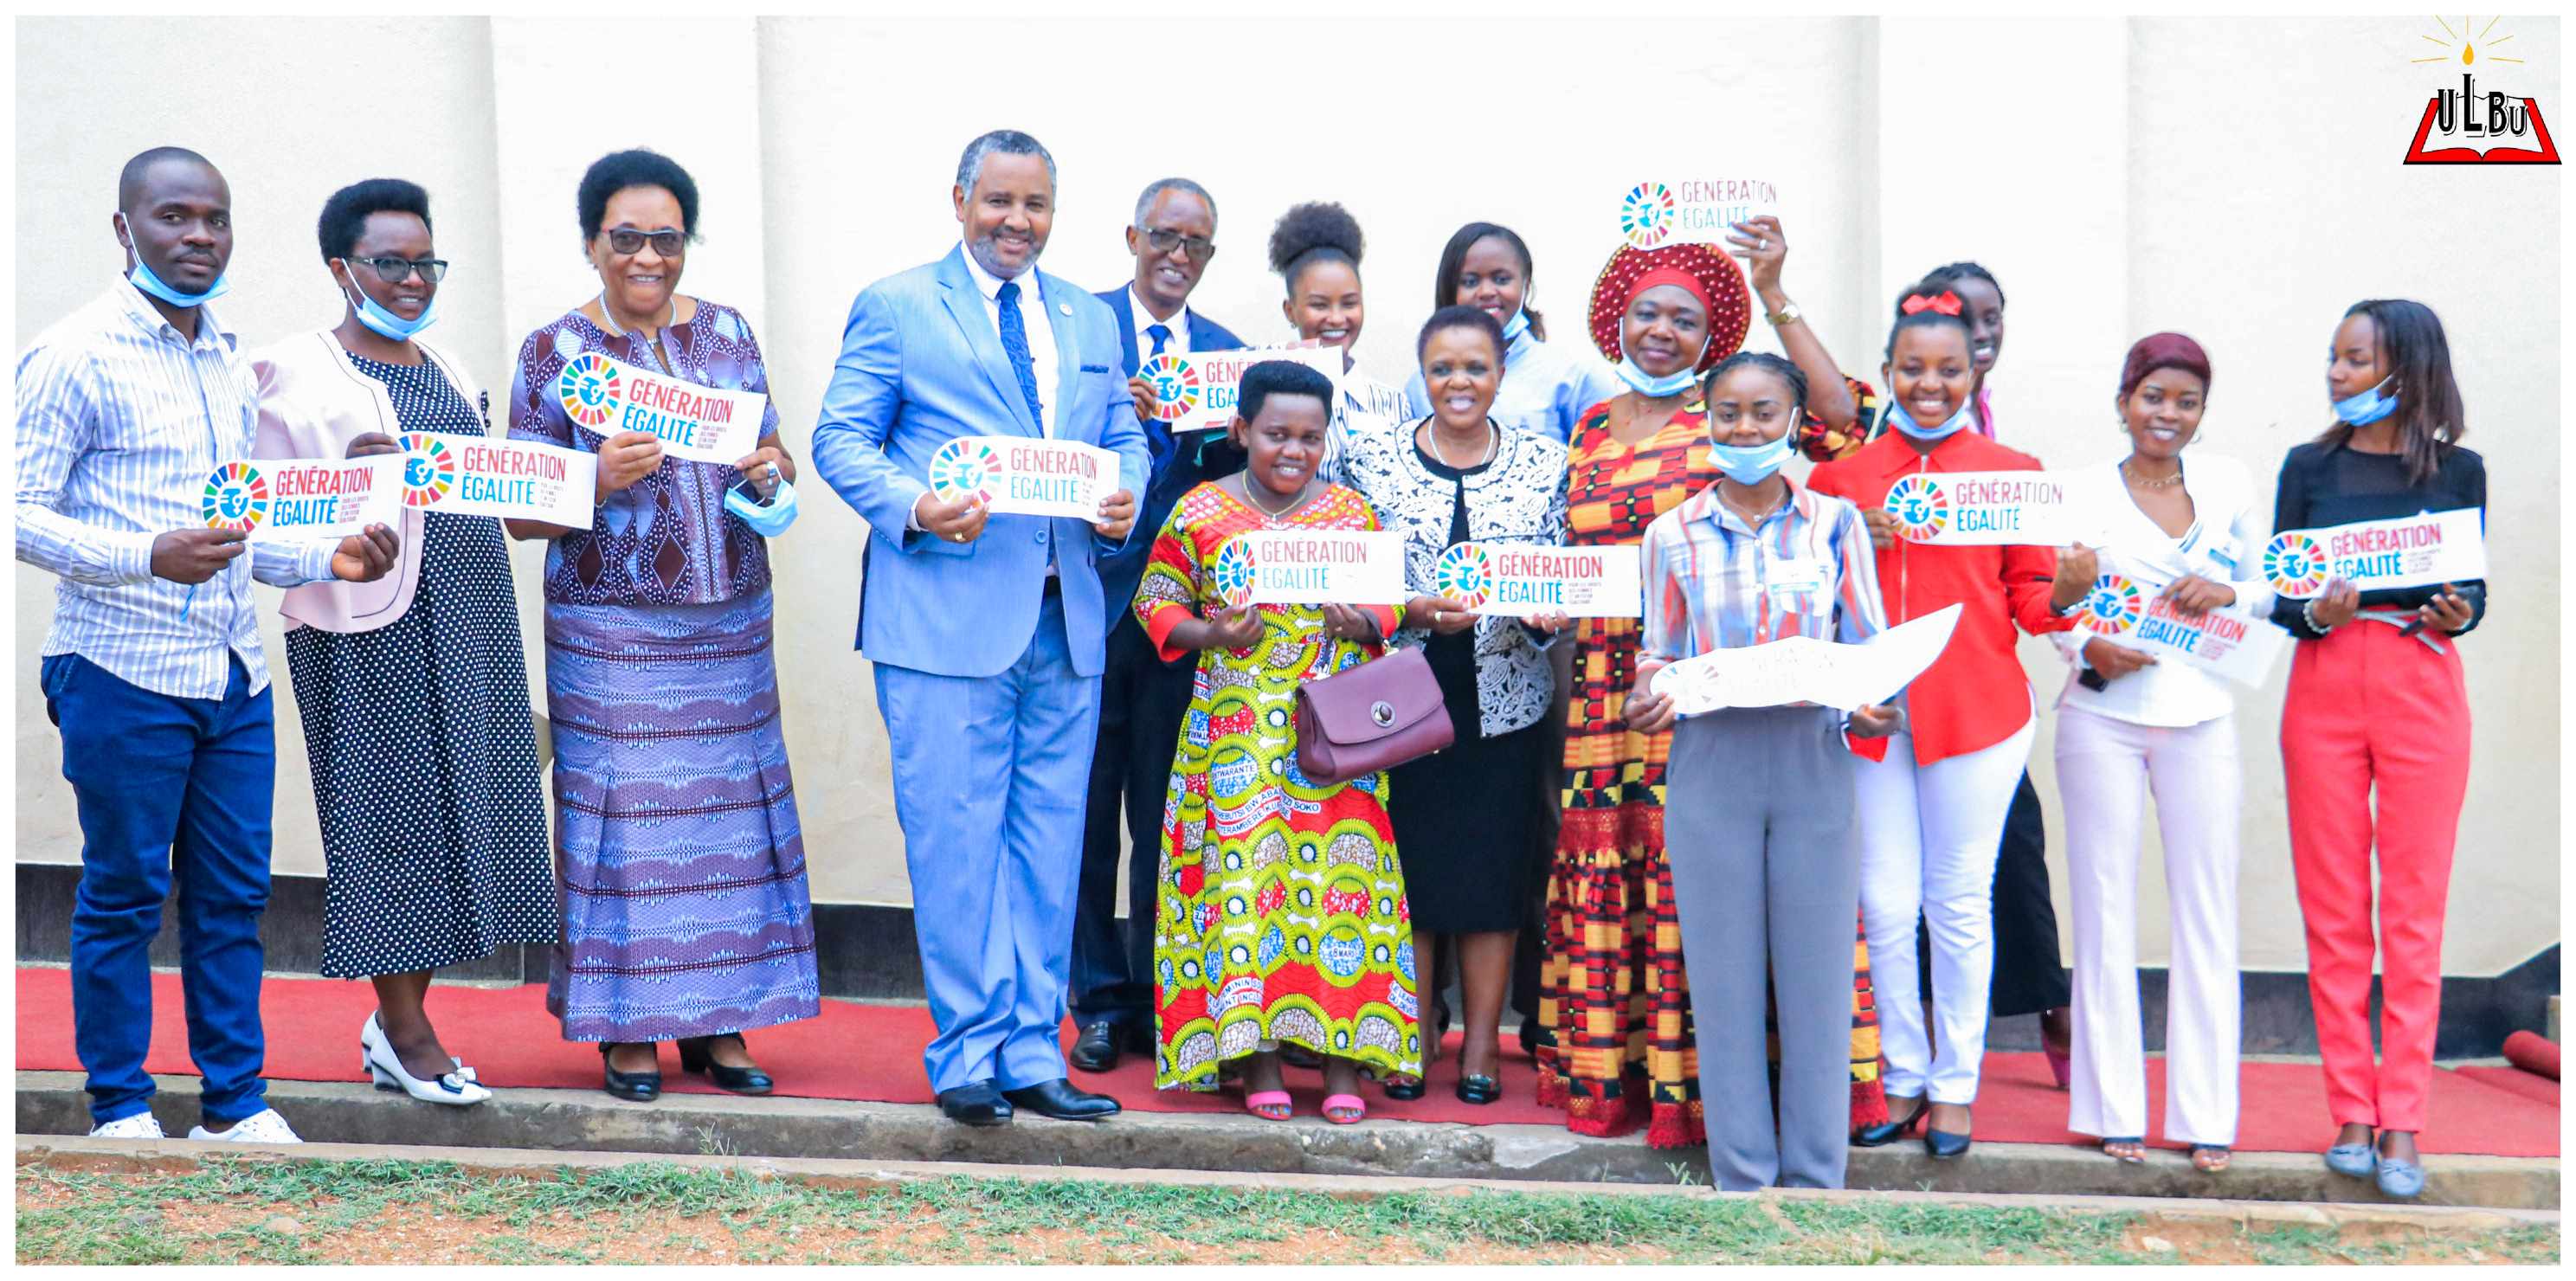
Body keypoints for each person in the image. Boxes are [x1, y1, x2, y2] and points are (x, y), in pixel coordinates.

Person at [16, 147, 398, 1144]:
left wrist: (332, 556)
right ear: (124, 228)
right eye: (174, 217)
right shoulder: (74, 354)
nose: (198, 237)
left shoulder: (230, 358)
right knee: (125, 892)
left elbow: (235, 527)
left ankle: (235, 1104)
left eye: (215, 219)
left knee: (234, 896)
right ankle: (122, 1104)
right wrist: (147, 553)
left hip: (232, 674)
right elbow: (17, 513)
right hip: (120, 669)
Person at [811, 130, 1150, 1127]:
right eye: (998, 201)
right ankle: (965, 1050)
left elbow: (1119, 435)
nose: (1017, 222)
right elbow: (840, 437)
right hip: (944, 616)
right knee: (957, 842)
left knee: (1048, 845)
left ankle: (1030, 1050)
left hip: (1067, 616)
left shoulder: (1088, 316)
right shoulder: (900, 303)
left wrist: (1124, 488)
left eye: (1035, 205)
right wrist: (915, 506)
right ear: (959, 199)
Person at [1536, 239, 1891, 1147]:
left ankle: (1730, 1104)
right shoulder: (1586, 425)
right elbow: (1572, 552)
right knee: (1620, 877)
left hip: (1719, 690)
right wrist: (1542, 606)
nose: (1662, 330)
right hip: (1609, 693)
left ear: (1713, 336)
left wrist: (1776, 292)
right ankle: (1629, 1078)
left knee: (1710, 894)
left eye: (1686, 318)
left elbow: (1845, 421)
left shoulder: (1735, 412)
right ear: (1617, 318)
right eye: (1648, 313)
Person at [505, 149, 816, 1104]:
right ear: (593, 242)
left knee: (725, 826)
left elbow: (774, 449)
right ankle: (628, 1029)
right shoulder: (552, 352)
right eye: (627, 238)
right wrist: (592, 479)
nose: (649, 256)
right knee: (628, 827)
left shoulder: (727, 333)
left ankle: (721, 1021)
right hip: (611, 633)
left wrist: (772, 467)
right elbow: (519, 509)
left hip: (730, 625)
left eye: (666, 239)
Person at [249, 178, 554, 1107]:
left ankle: (399, 1022)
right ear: (341, 268)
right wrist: (343, 489)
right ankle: (405, 1029)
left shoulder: (451, 366)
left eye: (426, 261)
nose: (413, 279)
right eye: (391, 262)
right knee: (388, 818)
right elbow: (253, 514)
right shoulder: (288, 373)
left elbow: (493, 494)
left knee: (466, 813)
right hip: (365, 631)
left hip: (471, 618)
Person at [1808, 292, 2083, 1158]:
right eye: (1912, 369)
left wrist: (2073, 588)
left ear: (1977, 372)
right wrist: (1854, 534)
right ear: (1888, 372)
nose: (1930, 385)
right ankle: (1902, 1074)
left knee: (1957, 902)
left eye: (1949, 370)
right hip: (1875, 716)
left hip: (1979, 717)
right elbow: (1811, 601)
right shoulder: (1841, 480)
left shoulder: (2013, 471)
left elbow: (2035, 606)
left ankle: (1956, 1088)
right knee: (1886, 904)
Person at [1625, 352, 1903, 1189]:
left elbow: (1869, 652)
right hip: (1712, 766)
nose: (1745, 429)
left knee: (1819, 981)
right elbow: (1658, 657)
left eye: (1763, 413)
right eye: (1729, 414)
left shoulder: (1836, 526)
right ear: (1705, 420)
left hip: (1814, 762)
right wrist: (1648, 697)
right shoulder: (1669, 535)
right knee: (1722, 979)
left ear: (1793, 422)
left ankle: (1817, 1181)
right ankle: (1743, 1180)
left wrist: (1875, 704)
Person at [1136, 360, 1420, 1122]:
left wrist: (1363, 624)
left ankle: (1341, 1070)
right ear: (1240, 433)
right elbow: (1157, 603)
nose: (1293, 450)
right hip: (1232, 736)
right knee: (1245, 895)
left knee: (1343, 897)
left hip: (1334, 738)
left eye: (1309, 437)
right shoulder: (1200, 511)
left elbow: (1388, 606)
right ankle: (1256, 1059)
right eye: (1275, 435)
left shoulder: (1354, 515)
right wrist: (1212, 631)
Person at [2275, 299, 2483, 1200]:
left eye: (2355, 359)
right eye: (2333, 357)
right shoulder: (2307, 465)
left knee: (2412, 911)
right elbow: (2284, 593)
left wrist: (2457, 611)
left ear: (2406, 367)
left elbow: (2473, 591)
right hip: (2323, 683)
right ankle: (2349, 1110)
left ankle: (2403, 1117)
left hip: (2420, 680)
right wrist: (2313, 608)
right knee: (2332, 911)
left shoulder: (2462, 469)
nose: (2336, 372)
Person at [1343, 306, 1569, 1104]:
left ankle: (1479, 1046)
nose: (1459, 382)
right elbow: (1348, 568)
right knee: (1408, 874)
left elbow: (1563, 575)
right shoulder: (1370, 460)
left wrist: (1551, 616)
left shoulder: (1548, 462)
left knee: (1492, 879)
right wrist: (1408, 607)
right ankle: (1408, 1041)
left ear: (1502, 374)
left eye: (1475, 367)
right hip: (1399, 701)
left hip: (1504, 703)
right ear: (1422, 376)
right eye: (1442, 368)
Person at [2050, 333, 2261, 1174]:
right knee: (2103, 905)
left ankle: (2207, 1112)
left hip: (2202, 712)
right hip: (2102, 713)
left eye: (2185, 401)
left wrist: (2231, 591)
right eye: (2152, 396)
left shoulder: (2231, 484)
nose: (2166, 414)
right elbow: (2052, 597)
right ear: (2124, 399)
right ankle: (2112, 1108)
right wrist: (2086, 645)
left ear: (2201, 413)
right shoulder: (2079, 495)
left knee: (2206, 909)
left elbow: (2269, 585)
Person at [1068, 177, 1248, 1076]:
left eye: (1199, 245)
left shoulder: (1231, 357)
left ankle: (1159, 1000)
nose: (1180, 256)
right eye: (1166, 237)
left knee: (1172, 816)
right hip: (1085, 610)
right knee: (1089, 817)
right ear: (1134, 236)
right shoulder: (1079, 329)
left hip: (1187, 625)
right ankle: (1098, 1001)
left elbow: (1241, 479)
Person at [1401, 222, 1622, 444]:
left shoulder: (1572, 376)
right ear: (1451, 290)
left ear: (1526, 285)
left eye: (1501, 279)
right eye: (1470, 282)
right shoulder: (1421, 385)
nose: (1486, 292)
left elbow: (1608, 459)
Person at [1269, 201, 1410, 477]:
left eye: (1349, 303)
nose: (1336, 318)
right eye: (1319, 305)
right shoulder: (1263, 394)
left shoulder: (1394, 405)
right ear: (1291, 311)